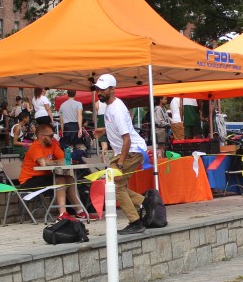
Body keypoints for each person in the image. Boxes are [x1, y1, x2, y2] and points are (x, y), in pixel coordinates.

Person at [92, 74, 148, 234]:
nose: (99, 92)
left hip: (131, 151)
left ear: (112, 89)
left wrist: (121, 162)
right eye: (98, 89)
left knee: (115, 186)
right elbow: (121, 127)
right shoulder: (110, 106)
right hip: (126, 151)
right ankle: (145, 203)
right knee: (116, 186)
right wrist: (104, 130)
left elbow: (127, 138)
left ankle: (135, 222)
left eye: (103, 89)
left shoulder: (116, 109)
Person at [19, 122, 83, 217]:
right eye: (50, 136)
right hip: (28, 181)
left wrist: (51, 161)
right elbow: (43, 163)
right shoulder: (35, 147)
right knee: (60, 180)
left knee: (70, 179)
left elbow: (65, 159)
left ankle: (80, 212)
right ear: (41, 136)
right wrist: (56, 162)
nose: (53, 138)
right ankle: (62, 214)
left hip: (44, 177)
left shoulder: (52, 144)